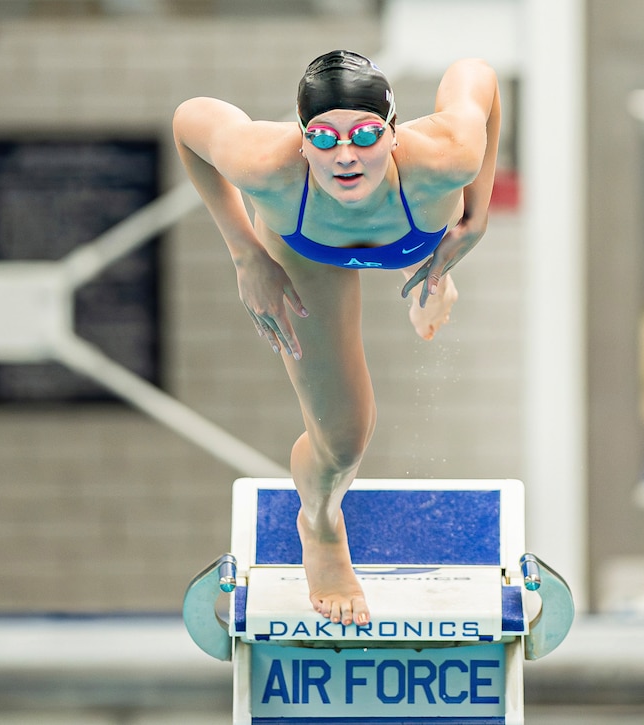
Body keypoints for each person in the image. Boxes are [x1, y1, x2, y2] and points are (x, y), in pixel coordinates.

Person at [172, 50, 501, 628]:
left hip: (414, 234)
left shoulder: (448, 156)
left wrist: (477, 215)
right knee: (346, 438)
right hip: (305, 254)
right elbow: (189, 120)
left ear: (395, 133)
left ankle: (431, 287)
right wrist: (246, 254)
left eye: (367, 134)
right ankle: (320, 525)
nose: (345, 156)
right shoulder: (266, 164)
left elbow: (479, 75)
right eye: (323, 138)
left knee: (430, 283)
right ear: (300, 139)